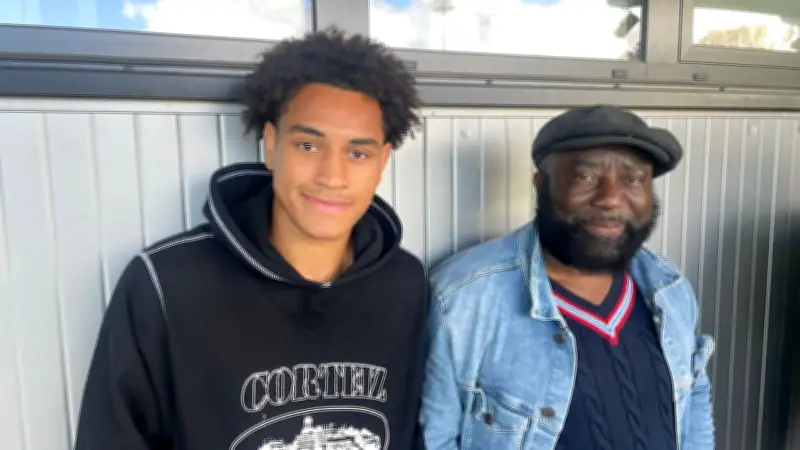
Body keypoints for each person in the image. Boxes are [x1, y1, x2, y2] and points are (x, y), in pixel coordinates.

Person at [74, 27, 429, 450]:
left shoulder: (405, 284)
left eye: (357, 153)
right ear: (271, 143)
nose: (332, 177)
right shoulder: (166, 286)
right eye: (308, 145)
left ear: (382, 161)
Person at [419, 105, 715, 450]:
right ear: (540, 185)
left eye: (633, 179)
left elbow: (693, 398)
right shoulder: (464, 297)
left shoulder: (668, 286)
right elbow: (434, 439)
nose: (610, 199)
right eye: (585, 178)